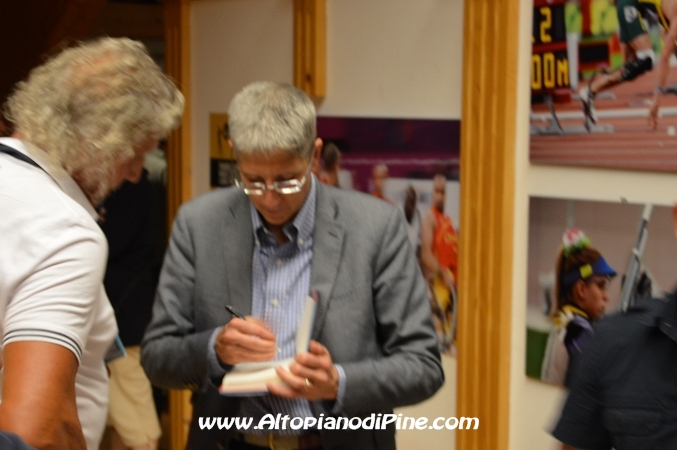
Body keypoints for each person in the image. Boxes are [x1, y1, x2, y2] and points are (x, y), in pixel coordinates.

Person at [141, 81, 443, 450]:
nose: (269, 199)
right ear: (234, 153)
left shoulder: (376, 228)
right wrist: (215, 350)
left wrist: (338, 382)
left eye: (286, 181)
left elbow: (423, 366)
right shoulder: (198, 224)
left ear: (315, 156)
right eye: (252, 180)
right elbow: (157, 357)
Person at [0, 37, 183, 450]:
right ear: (103, 143)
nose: (136, 174)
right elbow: (31, 430)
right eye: (135, 155)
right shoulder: (65, 229)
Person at [99, 171, 163, 450]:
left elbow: (108, 245)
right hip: (123, 316)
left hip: (126, 322)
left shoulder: (133, 186)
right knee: (122, 423)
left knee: (141, 431)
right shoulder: (130, 186)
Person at [579, 0, 677, 129]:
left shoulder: (671, 15)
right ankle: (590, 90)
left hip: (632, 7)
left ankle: (589, 93)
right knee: (646, 59)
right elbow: (664, 58)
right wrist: (656, 100)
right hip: (629, 4)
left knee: (629, 69)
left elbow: (667, 38)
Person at [540, 228, 617, 387]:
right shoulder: (578, 330)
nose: (606, 296)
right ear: (581, 289)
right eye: (601, 286)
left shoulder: (563, 319)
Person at [420, 174, 458, 350]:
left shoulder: (448, 221)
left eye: (443, 192)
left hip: (452, 292)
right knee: (441, 345)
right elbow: (426, 254)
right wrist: (442, 273)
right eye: (437, 191)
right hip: (438, 289)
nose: (440, 196)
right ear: (432, 192)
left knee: (452, 345)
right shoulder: (430, 218)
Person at [402, 185, 422, 258]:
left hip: (413, 258)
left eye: (413, 202)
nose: (411, 206)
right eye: (409, 201)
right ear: (405, 201)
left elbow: (419, 243)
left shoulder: (418, 215)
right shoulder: (399, 215)